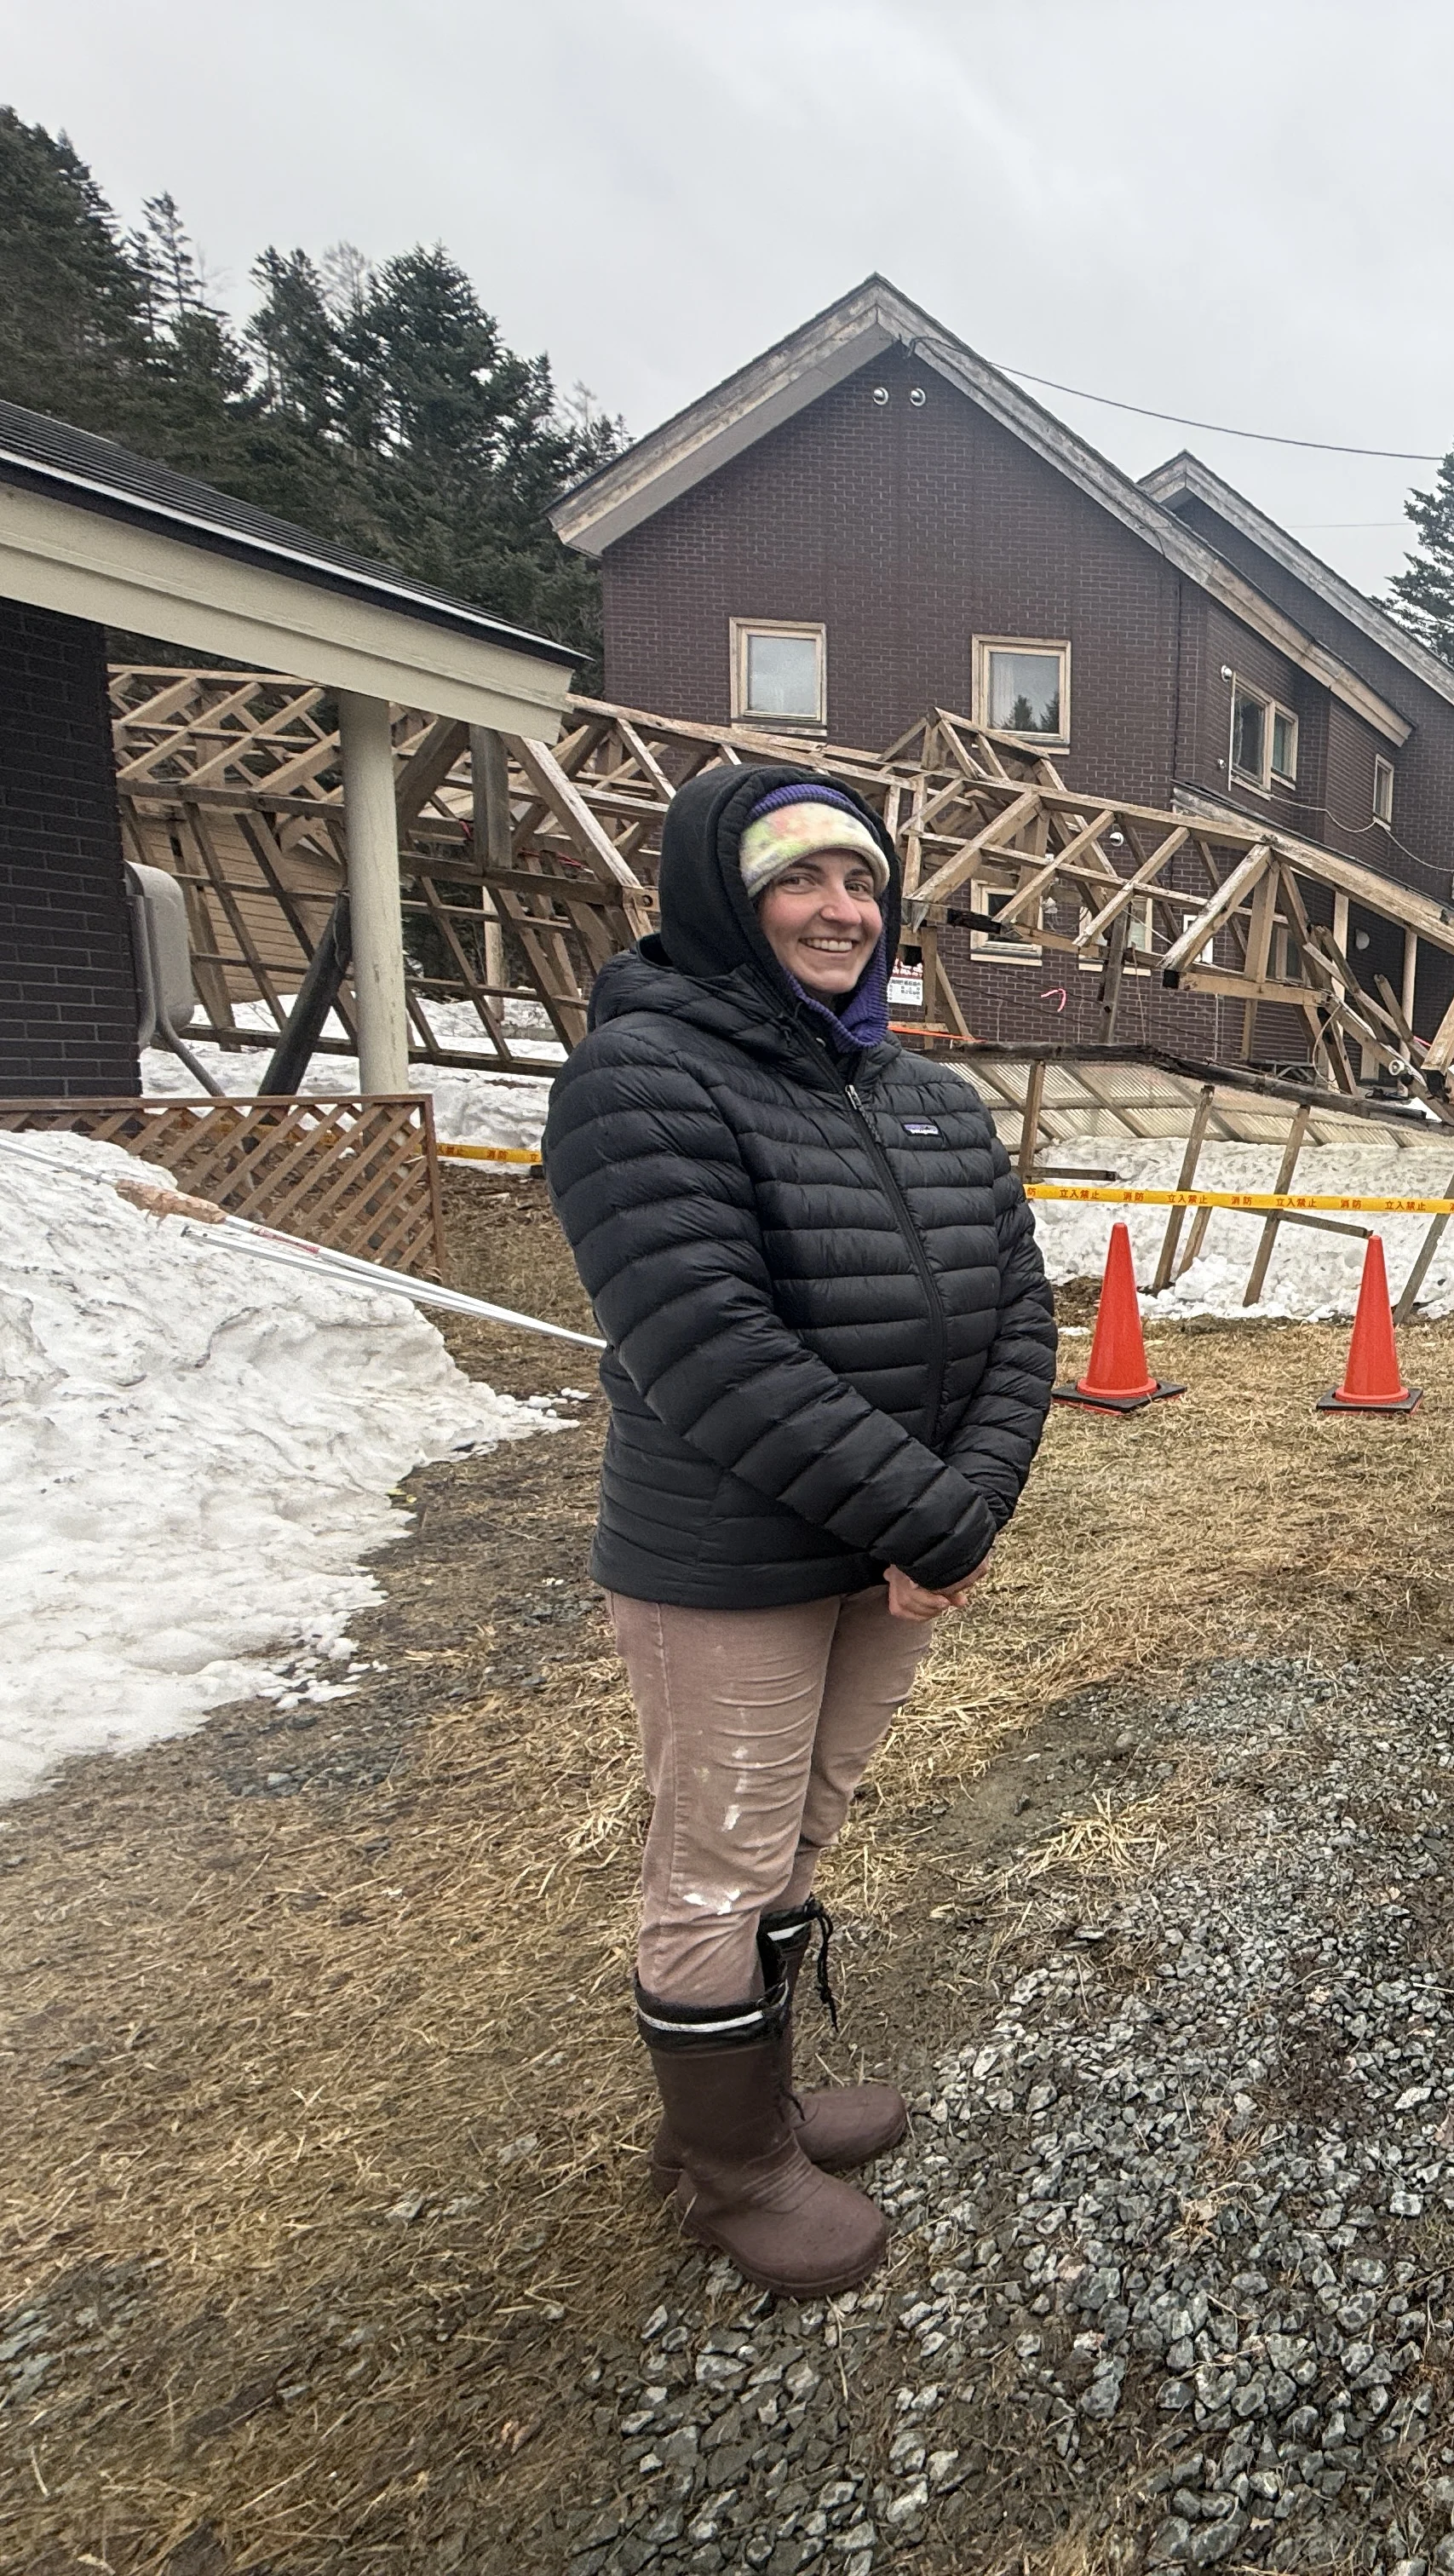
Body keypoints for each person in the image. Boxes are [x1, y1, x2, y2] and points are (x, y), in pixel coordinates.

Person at [545, 764, 1056, 2296]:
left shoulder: (921, 1091)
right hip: (729, 1555)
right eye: (801, 878)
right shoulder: (641, 1076)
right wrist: (930, 1513)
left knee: (803, 1827)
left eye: (862, 882)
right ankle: (728, 2168)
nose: (843, 909)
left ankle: (753, 2104)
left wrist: (965, 1507)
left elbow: (1022, 1307)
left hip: (887, 1551)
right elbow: (705, 1340)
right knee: (720, 1854)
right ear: (723, 891)